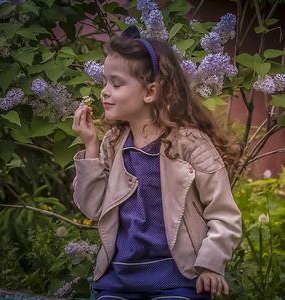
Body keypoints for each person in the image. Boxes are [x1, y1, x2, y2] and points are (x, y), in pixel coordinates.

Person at [72, 25, 242, 300]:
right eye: (104, 82)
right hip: (118, 279)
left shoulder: (191, 144)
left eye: (116, 84)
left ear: (150, 92)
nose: (104, 91)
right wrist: (90, 145)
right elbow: (92, 207)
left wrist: (211, 265)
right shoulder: (112, 143)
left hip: (178, 279)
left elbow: (224, 214)